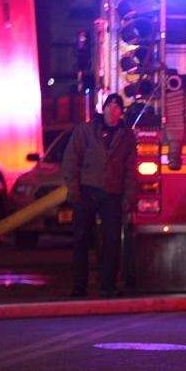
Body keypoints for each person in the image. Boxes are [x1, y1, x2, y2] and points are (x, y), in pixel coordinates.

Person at [61, 93, 136, 298]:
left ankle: (107, 286)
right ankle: (79, 285)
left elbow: (130, 170)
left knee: (112, 240)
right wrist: (74, 189)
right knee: (81, 239)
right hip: (86, 190)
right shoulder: (85, 131)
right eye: (110, 105)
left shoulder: (126, 137)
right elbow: (71, 159)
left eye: (117, 107)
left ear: (121, 112)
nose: (113, 110)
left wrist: (129, 196)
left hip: (112, 193)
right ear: (103, 109)